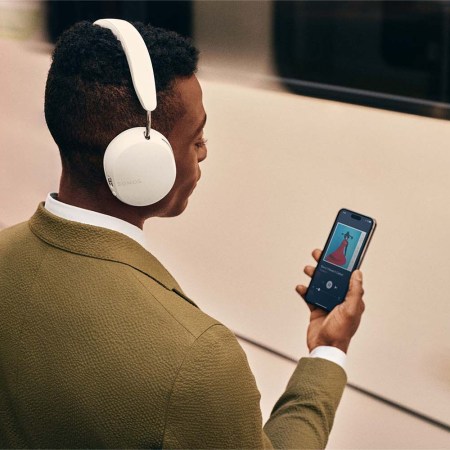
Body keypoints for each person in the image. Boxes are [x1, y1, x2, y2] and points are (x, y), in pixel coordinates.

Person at [0, 20, 365, 449]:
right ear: (142, 164)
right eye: (196, 139)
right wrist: (328, 351)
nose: (204, 151)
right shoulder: (198, 358)